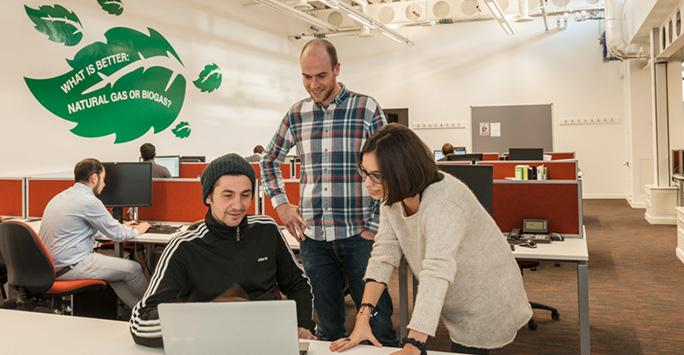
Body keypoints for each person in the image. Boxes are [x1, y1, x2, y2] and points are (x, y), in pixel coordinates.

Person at [330, 123, 532, 355]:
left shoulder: (443, 204)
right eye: (364, 172)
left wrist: (414, 344)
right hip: (454, 296)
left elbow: (436, 272)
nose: (367, 183)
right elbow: (383, 255)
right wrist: (363, 318)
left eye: (376, 176)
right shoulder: (394, 195)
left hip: (486, 297)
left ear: (401, 171)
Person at [260, 39, 398, 346]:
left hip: (359, 235)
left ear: (337, 69)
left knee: (378, 323)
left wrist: (373, 227)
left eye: (321, 75)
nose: (313, 84)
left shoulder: (366, 108)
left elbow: (389, 170)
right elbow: (268, 161)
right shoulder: (296, 114)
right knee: (329, 329)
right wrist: (281, 205)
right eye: (306, 77)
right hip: (314, 239)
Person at [129, 153, 316, 347]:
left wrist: (304, 325)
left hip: (266, 341)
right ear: (208, 197)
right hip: (211, 344)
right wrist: (209, 319)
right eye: (227, 195)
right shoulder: (185, 246)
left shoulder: (267, 229)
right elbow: (140, 322)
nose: (238, 205)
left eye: (245, 195)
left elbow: (298, 285)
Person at [39, 159, 151, 309]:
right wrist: (140, 229)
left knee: (115, 276)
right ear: (94, 178)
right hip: (71, 266)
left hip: (51, 267)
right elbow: (118, 235)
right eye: (103, 179)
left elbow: (81, 226)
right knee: (134, 269)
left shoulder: (60, 197)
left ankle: (140, 312)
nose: (104, 184)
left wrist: (118, 226)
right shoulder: (89, 201)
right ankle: (155, 308)